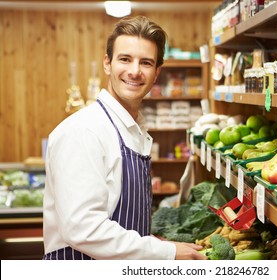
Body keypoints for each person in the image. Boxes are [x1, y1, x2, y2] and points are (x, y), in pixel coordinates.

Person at [43, 16, 207, 260]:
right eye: (125, 59)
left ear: (157, 72)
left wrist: (152, 242)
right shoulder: (84, 131)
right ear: (107, 64)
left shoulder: (134, 131)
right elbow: (83, 229)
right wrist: (166, 252)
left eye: (146, 63)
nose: (134, 71)